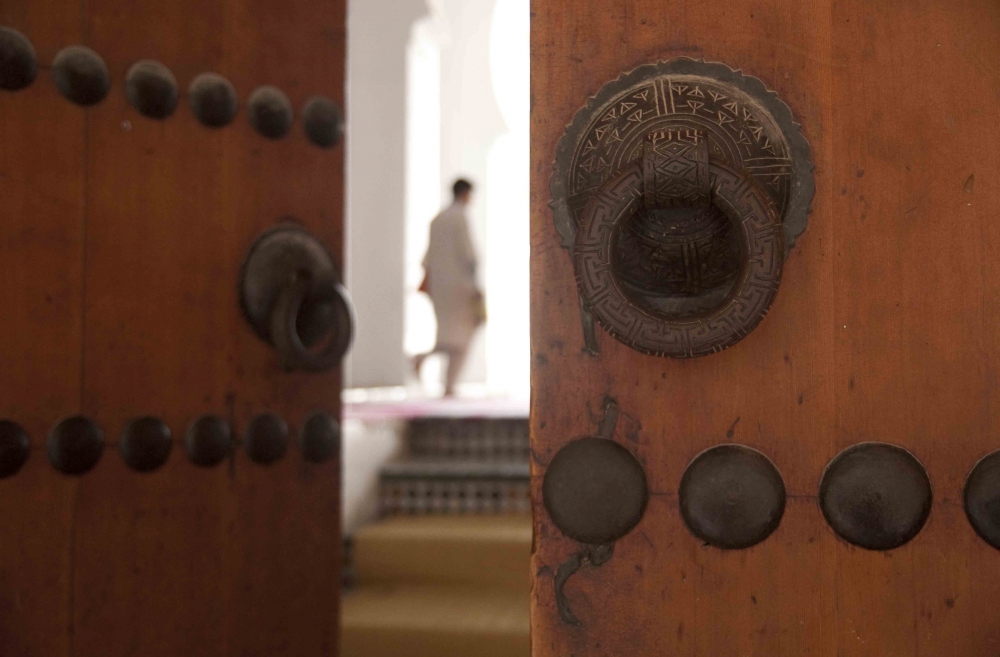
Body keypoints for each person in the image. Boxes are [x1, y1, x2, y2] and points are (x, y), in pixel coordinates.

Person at [413, 178, 485, 396]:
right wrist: (475, 284)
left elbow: (426, 259)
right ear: (465, 193)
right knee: (462, 337)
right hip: (460, 287)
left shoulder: (437, 220)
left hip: (440, 287)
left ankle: (434, 371)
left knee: (450, 336)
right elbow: (469, 255)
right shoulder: (459, 217)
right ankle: (449, 385)